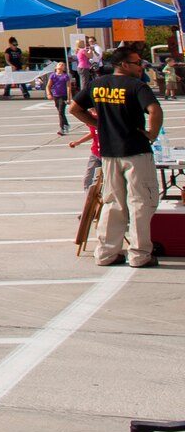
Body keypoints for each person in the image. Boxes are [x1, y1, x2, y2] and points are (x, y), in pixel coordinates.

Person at [70, 43, 162, 268]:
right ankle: (140, 254)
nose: (141, 67)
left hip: (109, 153)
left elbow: (74, 108)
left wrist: (98, 125)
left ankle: (106, 253)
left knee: (113, 202)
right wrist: (152, 134)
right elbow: (155, 110)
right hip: (136, 152)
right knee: (141, 201)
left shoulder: (97, 84)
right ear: (123, 65)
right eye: (137, 63)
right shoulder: (136, 86)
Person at [45, 60, 74, 136]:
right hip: (55, 95)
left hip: (63, 96)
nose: (61, 65)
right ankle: (66, 124)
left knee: (61, 111)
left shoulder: (65, 76)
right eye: (59, 64)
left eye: (62, 65)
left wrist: (69, 98)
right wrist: (49, 94)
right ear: (56, 67)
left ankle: (62, 128)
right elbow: (48, 86)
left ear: (64, 68)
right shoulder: (53, 75)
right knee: (60, 112)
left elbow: (68, 87)